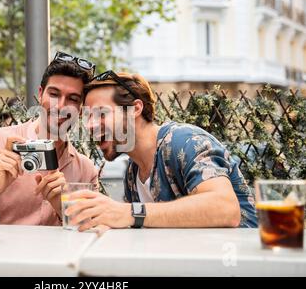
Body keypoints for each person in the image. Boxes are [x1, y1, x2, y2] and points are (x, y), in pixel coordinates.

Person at [65, 71, 258, 231]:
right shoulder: (133, 173)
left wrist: (128, 212)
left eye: (101, 114)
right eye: (87, 117)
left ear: (135, 109)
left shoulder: (184, 141)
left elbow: (224, 208)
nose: (90, 125)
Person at [0, 52, 99, 225]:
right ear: (40, 94)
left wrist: (62, 207)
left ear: (81, 109)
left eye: (73, 99)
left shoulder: (86, 170)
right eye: (54, 94)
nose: (60, 106)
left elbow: (90, 232)